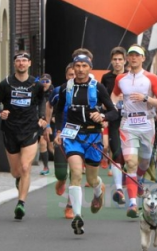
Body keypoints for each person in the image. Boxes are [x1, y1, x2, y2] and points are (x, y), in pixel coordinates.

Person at [54, 48, 118, 235]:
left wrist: (102, 115)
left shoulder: (97, 87)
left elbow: (114, 112)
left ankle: (99, 189)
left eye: (84, 66)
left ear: (90, 68)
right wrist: (58, 130)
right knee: (75, 172)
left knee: (91, 178)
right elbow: (59, 111)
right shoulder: (66, 87)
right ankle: (77, 216)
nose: (80, 69)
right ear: (73, 67)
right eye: (77, 66)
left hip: (93, 137)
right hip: (72, 136)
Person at [111, 45, 157, 218]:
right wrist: (113, 107)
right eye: (131, 55)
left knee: (143, 163)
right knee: (131, 163)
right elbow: (114, 95)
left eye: (137, 55)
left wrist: (146, 98)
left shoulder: (152, 78)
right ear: (128, 58)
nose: (134, 58)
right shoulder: (120, 79)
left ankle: (140, 179)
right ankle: (133, 203)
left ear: (143, 58)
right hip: (128, 124)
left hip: (147, 123)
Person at [0, 51, 47, 220]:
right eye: (19, 61)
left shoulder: (36, 85)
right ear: (15, 64)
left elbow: (42, 102)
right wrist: (1, 112)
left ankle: (21, 203)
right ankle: (20, 180)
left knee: (25, 167)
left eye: (24, 61)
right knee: (16, 171)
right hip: (10, 129)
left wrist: (42, 118)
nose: (21, 64)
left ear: (30, 63)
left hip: (30, 128)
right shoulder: (6, 83)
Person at [101, 46, 128, 205]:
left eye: (120, 60)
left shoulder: (131, 77)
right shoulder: (106, 78)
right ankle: (118, 188)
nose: (117, 63)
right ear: (111, 61)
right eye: (115, 60)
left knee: (130, 156)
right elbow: (103, 98)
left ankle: (131, 178)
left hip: (131, 120)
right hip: (114, 119)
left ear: (125, 61)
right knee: (116, 151)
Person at [52, 63, 76, 219]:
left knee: (76, 171)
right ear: (66, 76)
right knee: (61, 172)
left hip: (79, 136)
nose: (73, 78)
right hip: (61, 133)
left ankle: (70, 205)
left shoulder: (89, 90)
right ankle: (61, 180)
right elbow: (50, 107)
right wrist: (48, 125)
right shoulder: (59, 90)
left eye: (75, 75)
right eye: (70, 75)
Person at [38, 73, 54, 175]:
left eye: (47, 81)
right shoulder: (37, 92)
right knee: (42, 143)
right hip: (41, 120)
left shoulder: (54, 92)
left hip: (52, 121)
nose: (45, 84)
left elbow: (57, 106)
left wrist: (54, 116)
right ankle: (45, 167)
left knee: (51, 146)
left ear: (50, 82)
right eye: (42, 81)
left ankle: (61, 164)